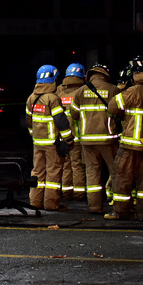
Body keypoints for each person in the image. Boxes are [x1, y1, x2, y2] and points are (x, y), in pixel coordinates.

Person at [105, 56, 143, 220]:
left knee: (122, 179)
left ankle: (121, 212)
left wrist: (121, 88)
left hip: (129, 144)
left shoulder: (131, 92)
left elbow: (112, 107)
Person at [70, 63, 120, 214]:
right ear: (105, 75)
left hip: (87, 140)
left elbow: (74, 114)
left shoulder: (80, 92)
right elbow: (121, 113)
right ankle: (118, 206)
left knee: (92, 173)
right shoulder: (113, 90)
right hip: (108, 139)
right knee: (116, 172)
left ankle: (95, 207)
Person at [25, 65, 75, 211]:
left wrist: (33, 135)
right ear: (53, 79)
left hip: (38, 143)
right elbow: (60, 120)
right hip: (53, 143)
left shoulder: (31, 98)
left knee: (37, 171)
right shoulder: (53, 98)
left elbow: (29, 121)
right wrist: (69, 140)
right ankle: (52, 203)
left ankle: (35, 201)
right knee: (53, 172)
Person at [56, 63, 87, 201]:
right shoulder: (83, 91)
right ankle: (79, 194)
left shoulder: (59, 90)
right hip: (77, 136)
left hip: (62, 136)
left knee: (66, 165)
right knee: (78, 166)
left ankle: (67, 193)